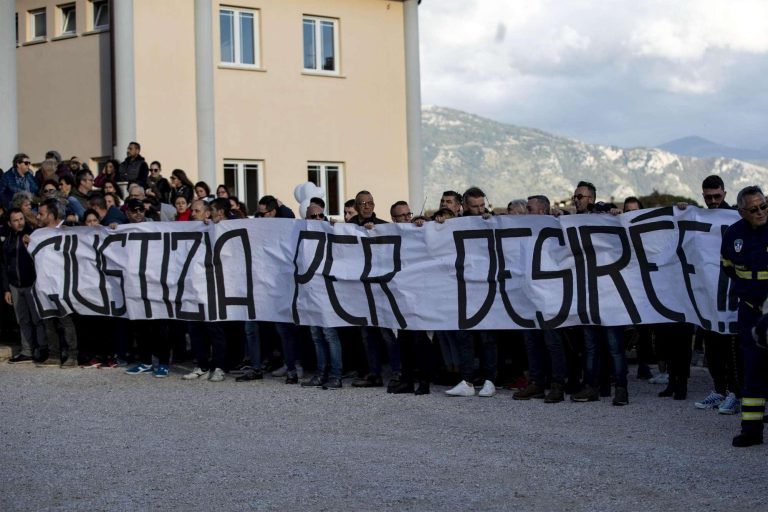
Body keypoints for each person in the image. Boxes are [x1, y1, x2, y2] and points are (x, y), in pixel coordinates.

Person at [569, 181, 629, 406]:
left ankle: (621, 388)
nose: (576, 200)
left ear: (592, 199)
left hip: (609, 293)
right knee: (591, 346)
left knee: (614, 346)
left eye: (581, 197)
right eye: (575, 196)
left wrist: (615, 214)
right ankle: (592, 386)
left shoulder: (604, 218)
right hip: (587, 295)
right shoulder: (571, 222)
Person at [720, 185, 768, 447]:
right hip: (749, 312)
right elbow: (727, 266)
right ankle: (751, 429)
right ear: (742, 211)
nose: (761, 212)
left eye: (764, 206)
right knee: (752, 370)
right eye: (754, 209)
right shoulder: (733, 235)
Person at [513, 195, 568, 403]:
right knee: (531, 341)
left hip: (549, 296)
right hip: (528, 295)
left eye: (530, 209)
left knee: (552, 341)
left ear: (543, 212)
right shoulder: (525, 233)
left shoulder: (554, 230)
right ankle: (536, 382)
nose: (526, 213)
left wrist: (561, 217)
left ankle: (557, 384)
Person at [299, 203, 344, 390]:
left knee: (329, 334)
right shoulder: (300, 236)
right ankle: (320, 374)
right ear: (306, 219)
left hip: (327, 292)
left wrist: (338, 229)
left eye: (320, 216)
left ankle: (336, 375)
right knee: (316, 335)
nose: (318, 219)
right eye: (313, 216)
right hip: (310, 292)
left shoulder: (331, 232)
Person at [34, 199, 80, 368]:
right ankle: (54, 355)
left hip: (63, 284)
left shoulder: (70, 229)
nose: (38, 217)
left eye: (41, 214)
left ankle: (72, 355)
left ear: (52, 215)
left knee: (65, 319)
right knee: (48, 319)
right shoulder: (38, 234)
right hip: (44, 283)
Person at [2, 208, 47, 363]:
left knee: (37, 318)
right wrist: (6, 289)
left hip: (32, 283)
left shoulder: (32, 235)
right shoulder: (7, 239)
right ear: (9, 223)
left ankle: (42, 348)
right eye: (15, 220)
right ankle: (27, 350)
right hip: (15, 285)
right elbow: (4, 265)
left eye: (21, 219)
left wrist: (30, 245)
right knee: (22, 320)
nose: (19, 222)